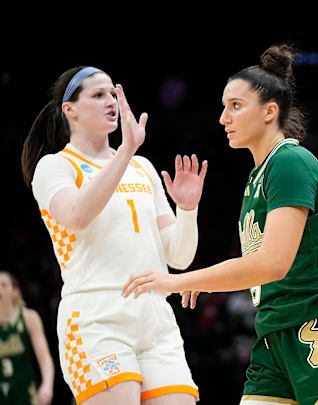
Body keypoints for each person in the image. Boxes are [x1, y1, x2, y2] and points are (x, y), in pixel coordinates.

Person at [122, 45, 318, 405]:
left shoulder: (289, 162)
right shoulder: (258, 175)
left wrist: (183, 279)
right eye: (224, 106)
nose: (223, 118)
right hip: (274, 340)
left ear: (269, 112)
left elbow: (272, 264)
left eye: (235, 106)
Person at [22, 66, 206, 404]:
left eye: (112, 93)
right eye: (98, 95)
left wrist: (188, 210)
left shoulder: (143, 168)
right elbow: (76, 216)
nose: (110, 101)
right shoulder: (56, 167)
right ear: (70, 110)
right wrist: (125, 151)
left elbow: (179, 257)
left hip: (155, 315)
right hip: (95, 318)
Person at [0, 271, 54, 405]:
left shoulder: (29, 318)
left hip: (24, 390)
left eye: (4, 285)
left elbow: (44, 357)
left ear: (15, 292)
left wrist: (47, 385)